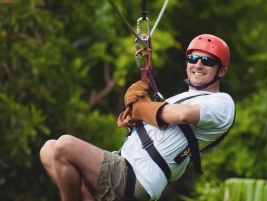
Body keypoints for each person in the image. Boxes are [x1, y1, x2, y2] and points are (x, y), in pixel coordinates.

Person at [40, 34, 235, 201]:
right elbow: (163, 118)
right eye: (193, 58)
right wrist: (138, 118)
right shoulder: (181, 97)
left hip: (138, 175)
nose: (198, 64)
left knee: (65, 145)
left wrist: (142, 108)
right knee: (48, 150)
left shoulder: (222, 103)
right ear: (187, 64)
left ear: (222, 70)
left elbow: (182, 115)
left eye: (208, 61)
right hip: (126, 163)